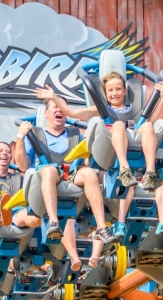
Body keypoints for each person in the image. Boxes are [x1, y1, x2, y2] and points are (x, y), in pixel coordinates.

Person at [13, 99, 117, 270]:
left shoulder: (75, 134)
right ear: (46, 113)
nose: (58, 111)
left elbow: (86, 161)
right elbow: (22, 166)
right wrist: (20, 136)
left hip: (70, 176)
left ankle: (100, 227)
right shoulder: (36, 134)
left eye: (61, 108)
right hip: (45, 178)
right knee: (49, 171)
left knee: (89, 173)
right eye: (54, 108)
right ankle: (54, 222)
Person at [34, 77, 163, 191]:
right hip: (110, 147)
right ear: (105, 93)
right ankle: (124, 169)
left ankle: (150, 172)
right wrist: (54, 98)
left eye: (118, 89)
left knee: (148, 125)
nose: (115, 93)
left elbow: (149, 120)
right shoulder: (101, 109)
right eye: (110, 90)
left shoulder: (134, 111)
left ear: (125, 91)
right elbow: (72, 113)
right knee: (119, 124)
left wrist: (162, 98)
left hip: (133, 138)